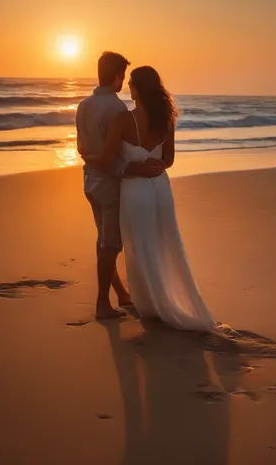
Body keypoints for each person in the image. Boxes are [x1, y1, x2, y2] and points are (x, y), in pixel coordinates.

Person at [83, 65, 216, 331]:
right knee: (162, 242)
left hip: (135, 190)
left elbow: (108, 162)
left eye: (131, 83)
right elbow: (168, 160)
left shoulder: (124, 120)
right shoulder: (166, 120)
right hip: (160, 189)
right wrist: (153, 167)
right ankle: (165, 300)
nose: (128, 87)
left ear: (137, 89)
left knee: (139, 246)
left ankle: (150, 304)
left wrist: (87, 156)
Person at [76, 52, 165, 320]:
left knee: (104, 240)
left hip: (90, 183)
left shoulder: (83, 104)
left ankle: (122, 295)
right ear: (116, 77)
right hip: (110, 186)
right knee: (111, 244)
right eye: (122, 77)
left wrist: (90, 159)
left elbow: (82, 147)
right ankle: (103, 303)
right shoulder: (116, 110)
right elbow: (113, 158)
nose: (123, 83)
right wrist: (136, 168)